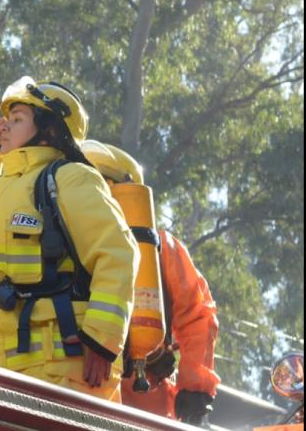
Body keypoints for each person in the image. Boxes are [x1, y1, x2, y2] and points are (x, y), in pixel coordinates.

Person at [0, 76, 138, 401]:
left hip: (61, 370)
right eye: (7, 119)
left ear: (50, 130)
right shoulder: (1, 188)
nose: (4, 126)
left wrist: (101, 343)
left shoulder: (71, 177)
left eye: (18, 119)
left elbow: (117, 254)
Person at [81, 140, 220, 424]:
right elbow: (198, 317)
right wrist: (195, 390)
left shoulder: (65, 237)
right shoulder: (160, 247)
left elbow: (196, 316)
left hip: (80, 382)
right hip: (142, 396)